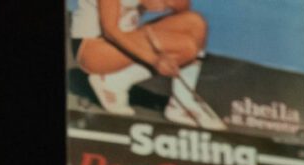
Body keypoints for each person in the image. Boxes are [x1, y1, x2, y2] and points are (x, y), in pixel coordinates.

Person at [71, 0, 220, 130]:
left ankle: (181, 104)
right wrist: (154, 60)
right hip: (92, 49)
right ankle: (113, 82)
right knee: (186, 47)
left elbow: (183, 10)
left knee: (196, 23)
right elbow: (110, 31)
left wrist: (174, 3)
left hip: (122, 43)